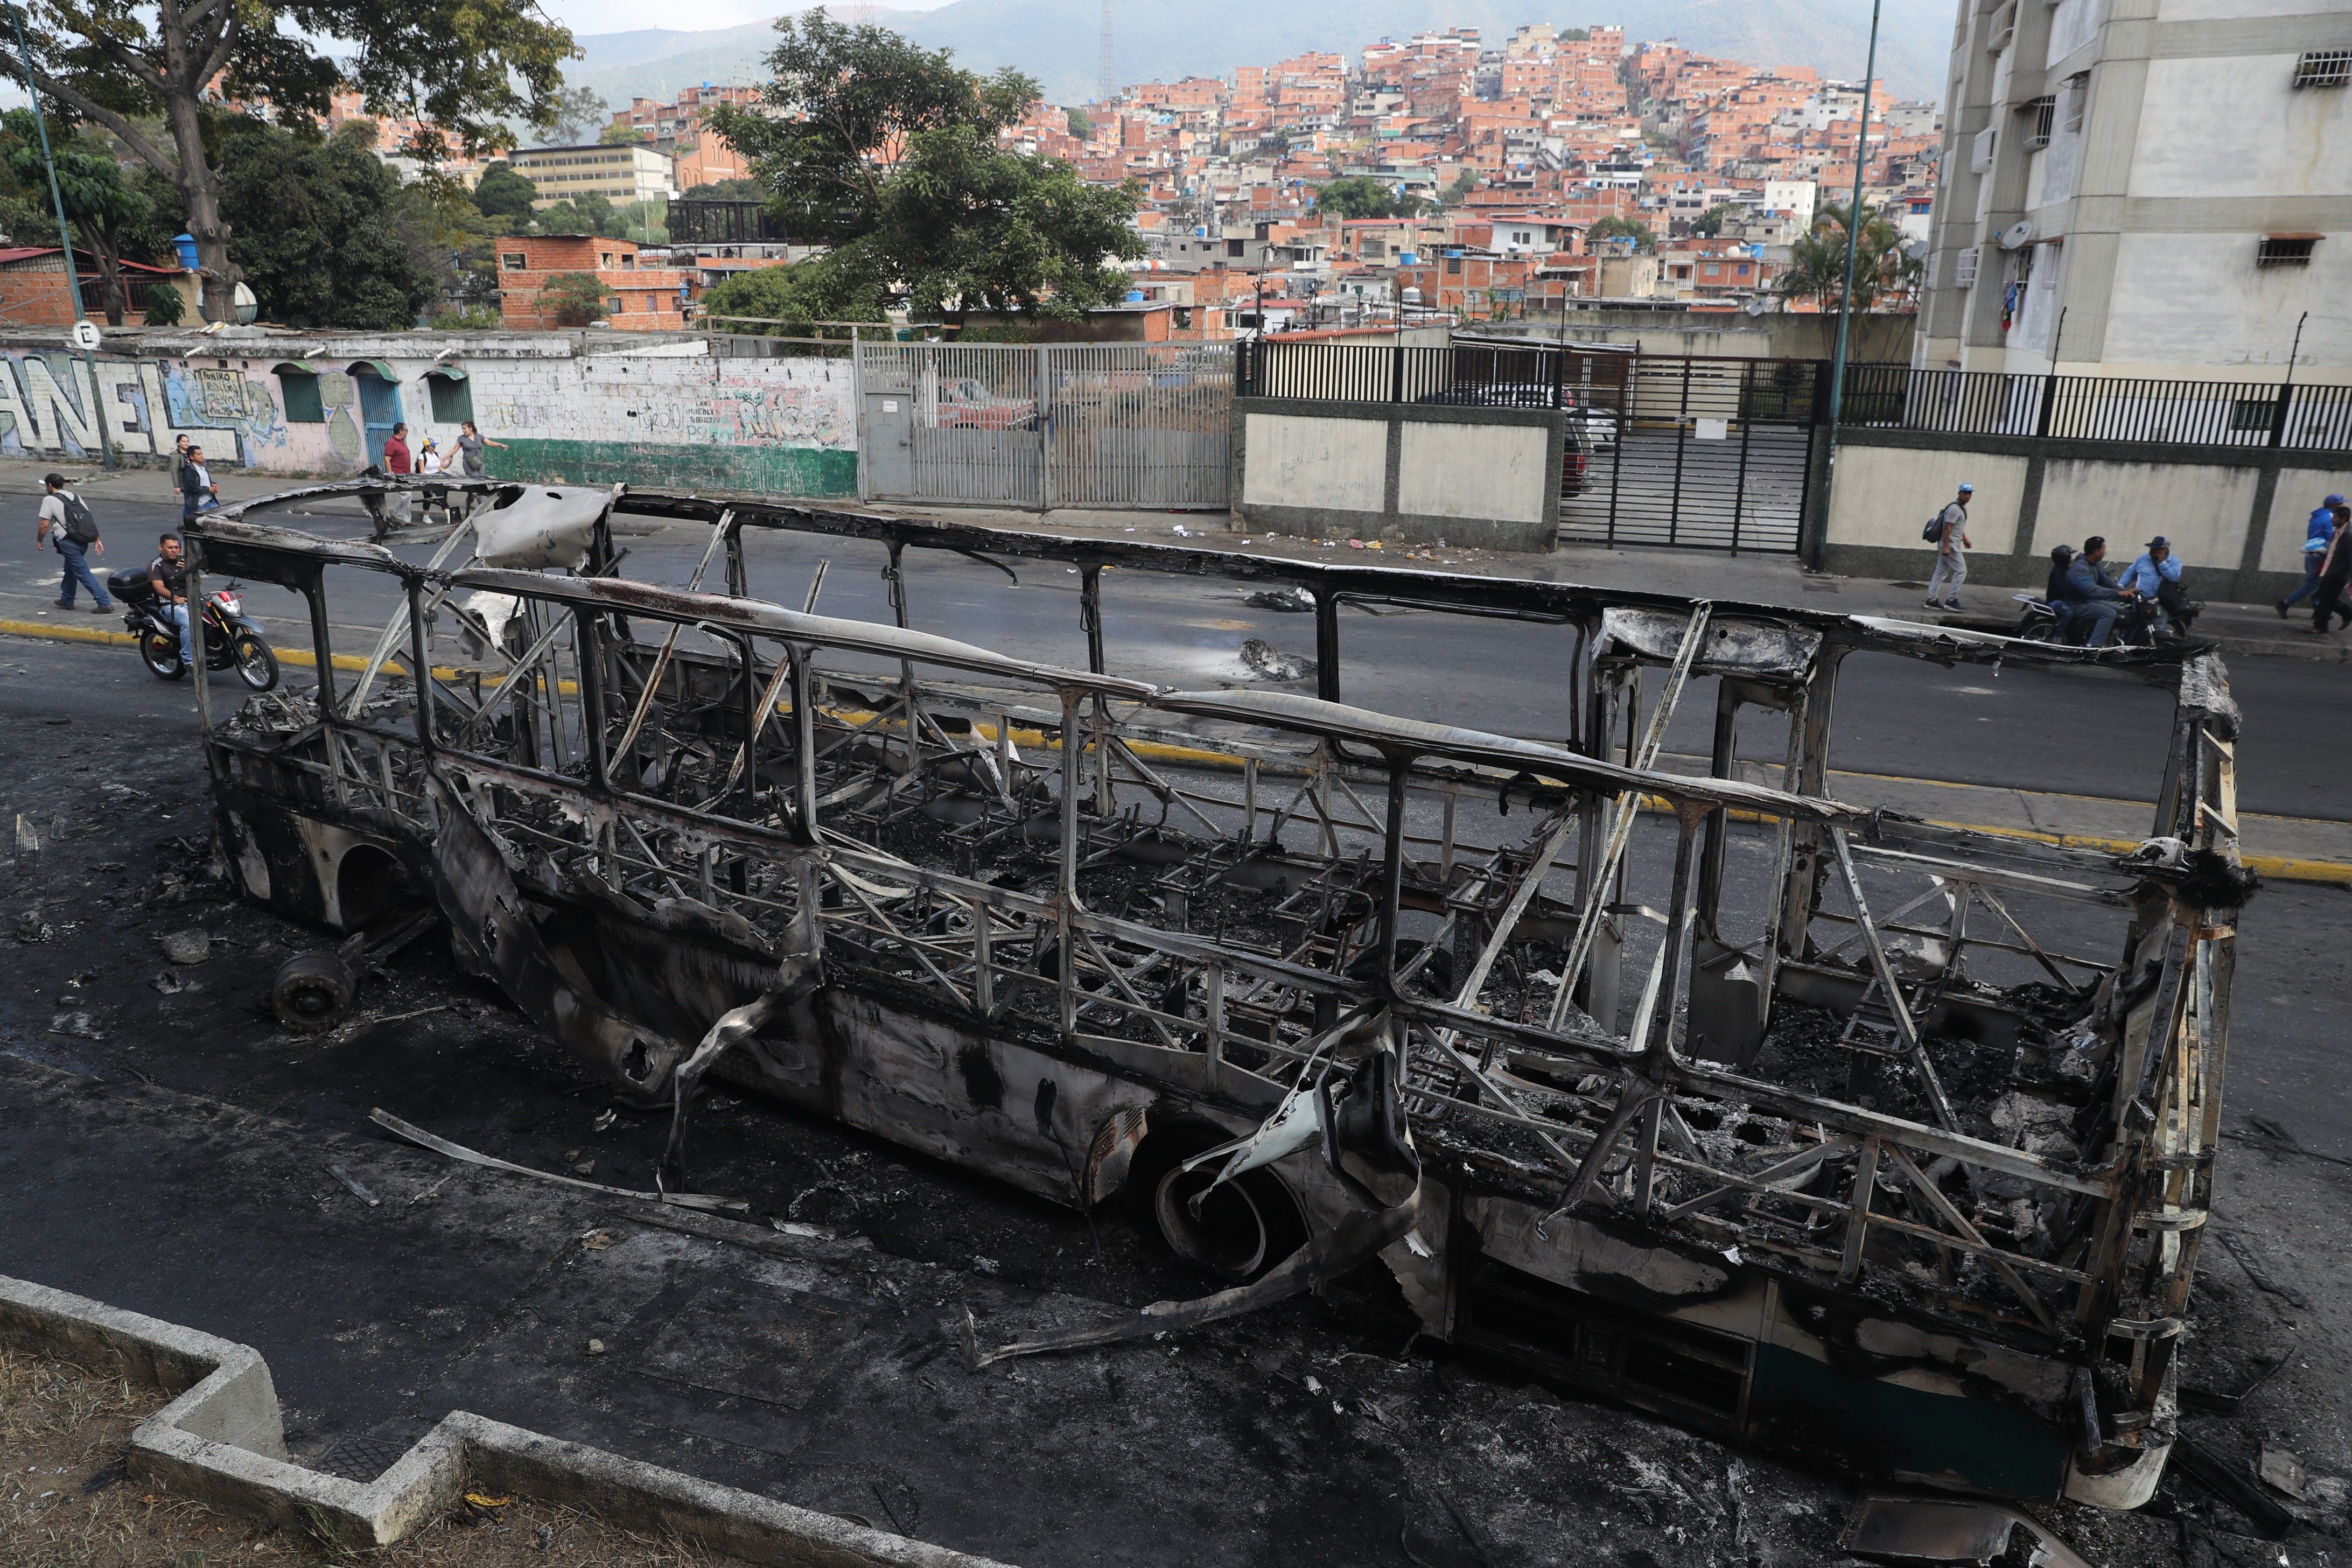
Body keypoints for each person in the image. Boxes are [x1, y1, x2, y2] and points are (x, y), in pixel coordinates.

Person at [35, 472, 112, 613]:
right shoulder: (76, 498)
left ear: (50, 486)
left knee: (82, 572)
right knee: (70, 570)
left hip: (68, 542)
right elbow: (87, 520)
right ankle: (67, 600)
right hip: (83, 541)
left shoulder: (49, 500)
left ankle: (104, 602)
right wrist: (96, 539)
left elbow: (44, 524)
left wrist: (40, 541)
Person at [2062, 535, 2137, 648]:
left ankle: (2112, 639)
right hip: (2076, 604)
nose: (2105, 552)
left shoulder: (2093, 565)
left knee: (2121, 611)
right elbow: (2092, 590)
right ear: (2096, 551)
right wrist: (2117, 593)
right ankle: (2093, 646)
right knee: (2109, 614)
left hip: (2088, 601)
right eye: (2103, 549)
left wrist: (2125, 591)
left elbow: (2106, 582)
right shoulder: (2080, 569)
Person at [2279, 492, 2344, 617]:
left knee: (2318, 583)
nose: (2342, 505)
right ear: (2333, 505)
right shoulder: (2329, 519)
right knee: (2313, 584)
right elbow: (2331, 538)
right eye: (2340, 503)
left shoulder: (2317, 516)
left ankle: (2318, 609)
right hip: (2321, 555)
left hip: (2312, 553)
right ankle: (2285, 603)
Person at [2120, 535, 2188, 636]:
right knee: (2132, 626)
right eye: (2152, 548)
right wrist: (2120, 586)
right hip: (2141, 601)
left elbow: (2173, 577)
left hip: (2160, 602)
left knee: (2157, 630)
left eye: (2156, 549)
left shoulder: (2174, 561)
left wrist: (2162, 563)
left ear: (2165, 550)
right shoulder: (2143, 559)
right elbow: (2130, 573)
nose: (2152, 551)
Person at [150, 531, 196, 668]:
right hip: (169, 606)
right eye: (170, 548)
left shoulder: (184, 562)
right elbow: (159, 588)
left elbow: (197, 582)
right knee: (188, 623)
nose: (174, 550)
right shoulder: (156, 566)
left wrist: (189, 570)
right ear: (161, 547)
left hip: (190, 601)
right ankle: (188, 660)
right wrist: (176, 599)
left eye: (177, 547)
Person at [1926, 482, 1974, 610]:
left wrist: (1965, 539)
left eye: (1970, 494)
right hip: (1950, 544)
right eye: (1965, 493)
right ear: (1959, 493)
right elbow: (1947, 528)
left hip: (1949, 543)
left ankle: (1931, 599)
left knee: (1940, 571)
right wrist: (1947, 546)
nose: (1968, 496)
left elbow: (1957, 527)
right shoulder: (1955, 509)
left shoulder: (1960, 508)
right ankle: (1952, 600)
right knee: (1961, 571)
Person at [453, 419, 506, 520]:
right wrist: (446, 458)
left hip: (479, 462)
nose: (463, 431)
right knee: (477, 483)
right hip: (468, 463)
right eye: (462, 429)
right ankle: (483, 506)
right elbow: (454, 449)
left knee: (481, 483)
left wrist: (500, 445)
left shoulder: (479, 437)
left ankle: (469, 499)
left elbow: (490, 443)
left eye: (465, 428)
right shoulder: (461, 439)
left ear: (471, 428)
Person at [2314, 510, 2352, 636]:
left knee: (2325, 600)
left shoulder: (2349, 535)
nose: (2332, 520)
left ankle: (2321, 627)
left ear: (2344, 518)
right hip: (2329, 570)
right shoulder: (2337, 533)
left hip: (2338, 573)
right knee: (2323, 597)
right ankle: (2347, 613)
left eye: (2335, 517)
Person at [382, 422, 414, 529]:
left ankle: (405, 519)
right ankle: (397, 516)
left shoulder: (402, 442)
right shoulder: (392, 443)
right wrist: (391, 473)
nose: (407, 432)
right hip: (398, 473)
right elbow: (387, 459)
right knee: (406, 495)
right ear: (401, 431)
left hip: (406, 473)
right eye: (406, 430)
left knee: (408, 495)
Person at [179, 444, 219, 520]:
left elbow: (203, 481)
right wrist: (208, 489)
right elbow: (191, 488)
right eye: (198, 454)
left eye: (201, 454)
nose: (201, 456)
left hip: (211, 502)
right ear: (191, 457)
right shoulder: (189, 471)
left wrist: (213, 484)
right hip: (200, 506)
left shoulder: (203, 468)